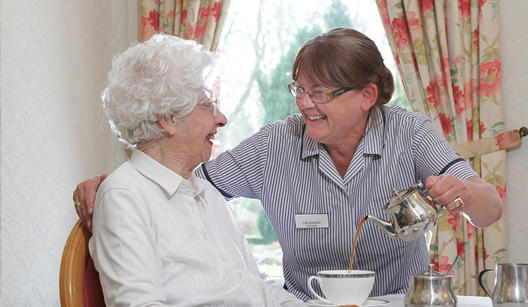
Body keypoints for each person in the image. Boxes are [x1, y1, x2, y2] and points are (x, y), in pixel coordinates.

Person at [74, 28, 503, 301]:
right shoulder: (277, 144)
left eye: (320, 93)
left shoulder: (409, 133)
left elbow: (489, 209)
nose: (304, 104)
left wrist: (463, 192)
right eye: (299, 89)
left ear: (366, 97)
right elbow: (175, 177)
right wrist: (114, 185)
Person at [85, 33, 307, 306]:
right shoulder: (123, 196)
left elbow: (256, 286)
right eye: (207, 105)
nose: (221, 119)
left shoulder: (205, 192)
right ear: (169, 118)